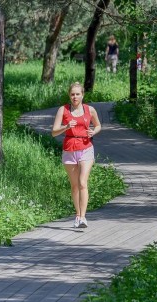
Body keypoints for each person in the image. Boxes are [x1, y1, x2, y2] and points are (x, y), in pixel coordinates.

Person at [52, 82, 102, 228]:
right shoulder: (63, 110)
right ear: (69, 95)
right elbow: (54, 132)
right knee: (74, 186)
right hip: (69, 149)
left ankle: (83, 218)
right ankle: (78, 214)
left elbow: (98, 125)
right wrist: (66, 127)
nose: (75, 97)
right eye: (72, 94)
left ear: (82, 95)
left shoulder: (90, 109)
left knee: (82, 183)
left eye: (77, 94)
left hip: (86, 147)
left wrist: (94, 131)